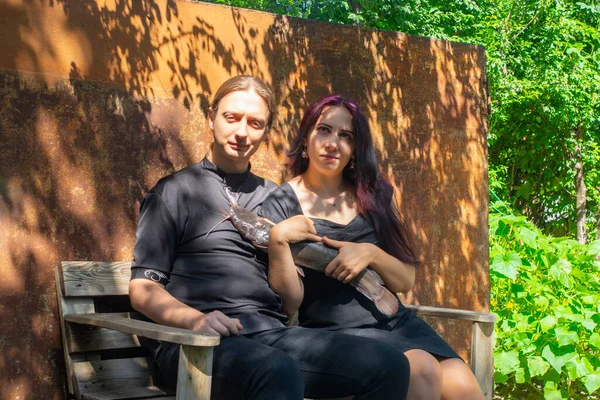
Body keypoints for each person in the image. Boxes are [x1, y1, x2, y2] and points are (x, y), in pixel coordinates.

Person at [129, 76, 411, 400]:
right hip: (197, 344)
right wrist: (194, 321)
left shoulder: (276, 198)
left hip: (270, 335)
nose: (241, 132)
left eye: (255, 123)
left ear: (266, 131)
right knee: (277, 370)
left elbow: (291, 302)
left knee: (389, 364)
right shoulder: (174, 192)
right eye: (231, 118)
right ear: (211, 117)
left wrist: (281, 243)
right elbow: (142, 288)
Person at [260, 94, 485, 400]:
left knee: (463, 388)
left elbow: (405, 281)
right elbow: (289, 302)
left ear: (355, 149)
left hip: (398, 324)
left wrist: (372, 254)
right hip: (337, 333)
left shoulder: (375, 195)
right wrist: (279, 241)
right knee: (422, 370)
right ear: (306, 138)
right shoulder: (282, 202)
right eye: (323, 130)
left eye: (345, 136)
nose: (332, 144)